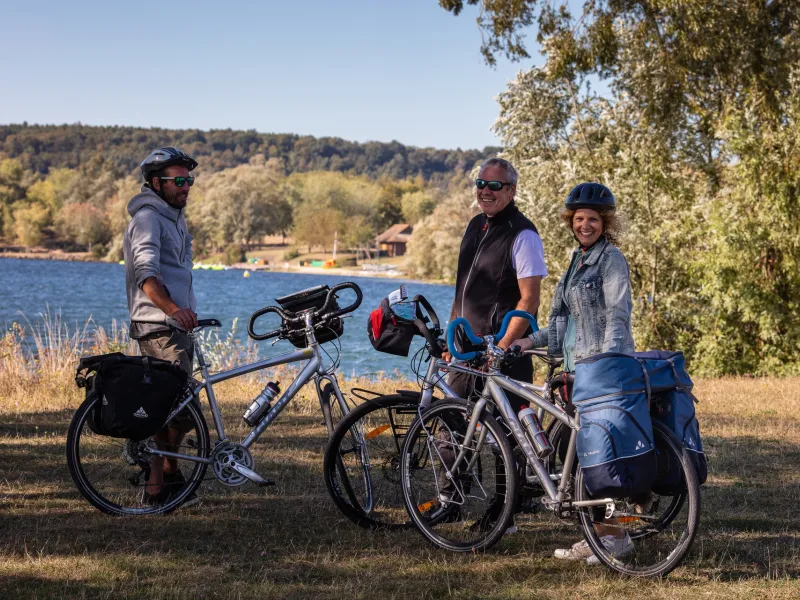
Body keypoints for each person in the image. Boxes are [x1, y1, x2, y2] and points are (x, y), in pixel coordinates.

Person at [513, 181, 636, 563]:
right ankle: (601, 534)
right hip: (572, 373)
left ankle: (613, 536)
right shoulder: (576, 261)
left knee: (594, 458)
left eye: (593, 219)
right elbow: (562, 325)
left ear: (605, 223)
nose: (586, 225)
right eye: (579, 218)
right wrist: (525, 343)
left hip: (596, 373)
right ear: (571, 221)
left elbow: (618, 314)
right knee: (574, 452)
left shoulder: (610, 259)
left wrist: (605, 363)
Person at [123, 146, 200, 506]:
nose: (186, 186)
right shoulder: (148, 219)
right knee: (169, 406)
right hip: (158, 325)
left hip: (176, 325)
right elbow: (146, 274)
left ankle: (170, 474)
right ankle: (156, 484)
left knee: (179, 409)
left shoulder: (174, 217)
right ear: (156, 183)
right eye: (179, 180)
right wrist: (173, 309)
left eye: (190, 180)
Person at [446, 157, 547, 399]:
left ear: (511, 191)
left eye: (495, 185)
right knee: (451, 427)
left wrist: (502, 348)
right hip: (466, 350)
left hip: (503, 355)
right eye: (481, 184)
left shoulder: (523, 234)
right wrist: (451, 337)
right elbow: (463, 292)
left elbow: (530, 299)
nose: (486, 191)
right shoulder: (474, 226)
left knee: (507, 433)